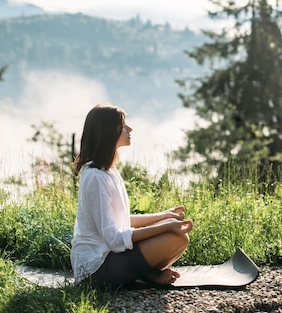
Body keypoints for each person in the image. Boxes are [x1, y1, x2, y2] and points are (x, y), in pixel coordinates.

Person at [71, 103, 193, 289]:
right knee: (174, 238)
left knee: (173, 232)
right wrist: (165, 227)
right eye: (122, 125)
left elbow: (120, 221)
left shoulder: (108, 171)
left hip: (111, 257)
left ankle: (148, 274)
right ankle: (148, 275)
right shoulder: (96, 177)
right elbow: (113, 238)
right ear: (108, 132)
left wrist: (164, 216)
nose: (129, 129)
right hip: (95, 270)